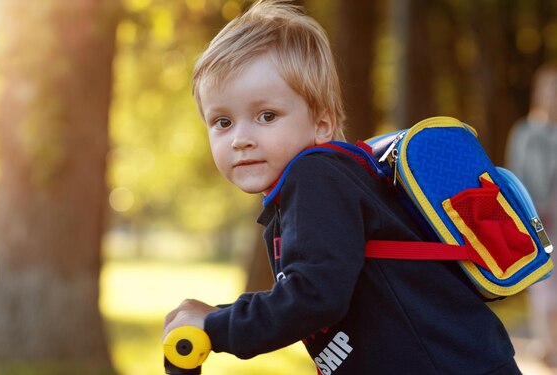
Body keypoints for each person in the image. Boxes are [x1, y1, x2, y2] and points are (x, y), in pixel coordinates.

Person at [164, 1, 521, 373]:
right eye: (222, 122)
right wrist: (213, 319)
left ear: (322, 124)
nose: (240, 139)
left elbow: (314, 298)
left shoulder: (316, 176)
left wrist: (218, 326)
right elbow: (307, 293)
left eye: (266, 115)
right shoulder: (313, 189)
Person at [506, 62, 557, 367]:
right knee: (544, 285)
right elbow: (514, 174)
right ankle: (550, 345)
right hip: (538, 219)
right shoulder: (524, 133)